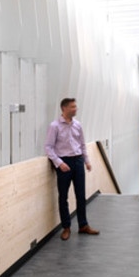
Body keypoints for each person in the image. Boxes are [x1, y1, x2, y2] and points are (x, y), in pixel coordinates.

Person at [45, 98, 100, 241]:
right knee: (63, 197)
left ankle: (83, 225)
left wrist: (86, 161)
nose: (76, 109)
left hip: (78, 161)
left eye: (76, 106)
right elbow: (48, 147)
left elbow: (82, 145)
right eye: (72, 107)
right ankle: (66, 227)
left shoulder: (78, 125)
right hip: (64, 163)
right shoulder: (54, 126)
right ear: (64, 108)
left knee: (81, 195)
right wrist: (58, 162)